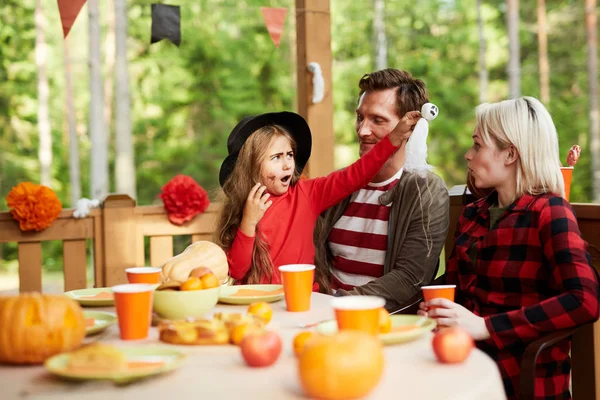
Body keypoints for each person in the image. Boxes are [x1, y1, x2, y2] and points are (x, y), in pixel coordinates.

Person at [418, 97, 600, 399]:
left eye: (477, 145)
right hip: (458, 369)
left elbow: (585, 300)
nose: (467, 155)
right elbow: (455, 284)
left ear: (510, 153)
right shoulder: (473, 213)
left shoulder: (550, 212)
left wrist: (487, 327)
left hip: (519, 381)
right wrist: (433, 305)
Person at [215, 110, 421, 287]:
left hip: (303, 299)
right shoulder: (246, 208)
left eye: (289, 154)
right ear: (251, 166)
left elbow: (356, 173)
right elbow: (238, 271)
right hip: (258, 306)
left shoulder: (308, 194)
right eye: (276, 157)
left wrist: (393, 137)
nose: (287, 164)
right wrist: (249, 222)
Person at [314, 69, 450, 311]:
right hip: (322, 314)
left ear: (411, 127)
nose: (362, 130)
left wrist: (335, 305)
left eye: (377, 120)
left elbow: (410, 279)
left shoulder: (425, 190)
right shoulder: (343, 184)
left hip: (383, 323)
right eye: (360, 117)